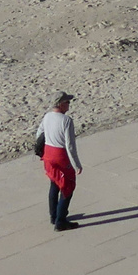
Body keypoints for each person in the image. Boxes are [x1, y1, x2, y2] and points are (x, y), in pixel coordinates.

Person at [35, 93, 84, 231]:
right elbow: (70, 145)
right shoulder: (66, 120)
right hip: (60, 155)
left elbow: (39, 133)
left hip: (48, 154)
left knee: (54, 183)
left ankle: (53, 215)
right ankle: (61, 221)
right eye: (67, 102)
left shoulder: (47, 116)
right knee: (67, 187)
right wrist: (76, 164)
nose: (69, 104)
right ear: (60, 104)